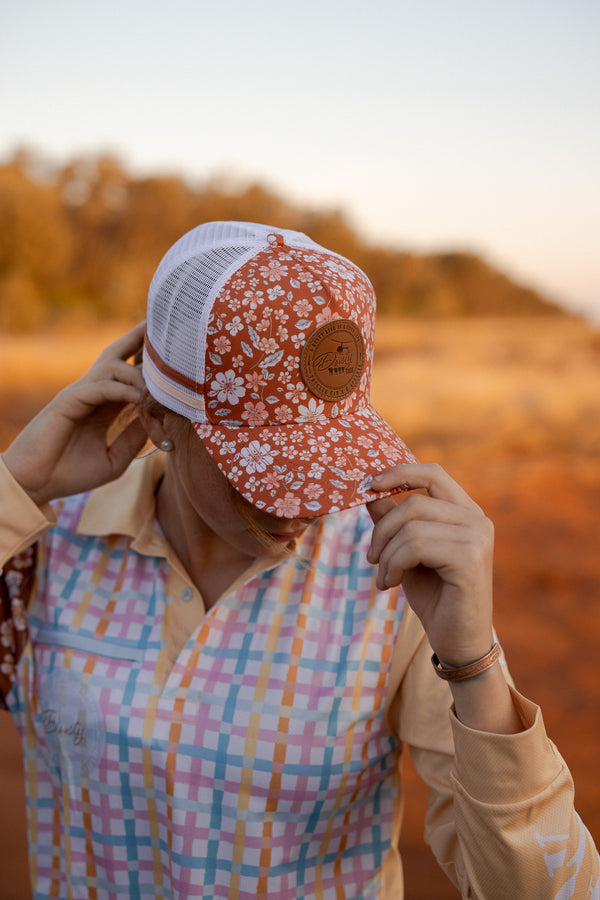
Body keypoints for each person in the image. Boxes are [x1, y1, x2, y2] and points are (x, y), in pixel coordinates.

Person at [0, 220, 597, 900]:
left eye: (327, 460)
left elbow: (551, 892)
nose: (303, 504)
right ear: (158, 419)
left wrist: (472, 662)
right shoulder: (42, 543)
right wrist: (17, 486)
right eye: (264, 469)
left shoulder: (393, 577)